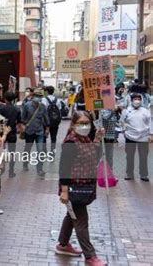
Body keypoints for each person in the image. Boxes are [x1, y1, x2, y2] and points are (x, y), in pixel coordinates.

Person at [57, 111, 105, 266]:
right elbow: (64, 168)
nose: (85, 126)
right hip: (74, 187)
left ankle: (63, 245)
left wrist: (97, 139)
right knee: (81, 221)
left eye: (87, 123)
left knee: (72, 216)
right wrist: (64, 191)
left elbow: (93, 158)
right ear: (73, 124)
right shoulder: (71, 142)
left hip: (84, 185)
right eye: (81, 123)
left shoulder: (85, 139)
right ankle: (90, 256)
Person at [120, 93, 152, 181]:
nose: (137, 101)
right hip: (130, 137)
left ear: (141, 100)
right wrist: (124, 131)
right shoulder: (126, 111)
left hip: (143, 137)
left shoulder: (145, 111)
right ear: (131, 100)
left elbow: (150, 122)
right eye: (135, 99)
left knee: (143, 156)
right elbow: (122, 122)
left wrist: (150, 134)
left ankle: (144, 175)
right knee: (129, 156)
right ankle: (129, 174)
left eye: (139, 99)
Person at [21, 88, 49, 176]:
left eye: (40, 96)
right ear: (32, 96)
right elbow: (23, 118)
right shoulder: (27, 105)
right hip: (29, 131)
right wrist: (25, 125)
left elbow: (46, 118)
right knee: (27, 149)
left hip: (40, 131)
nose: (38, 98)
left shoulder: (43, 106)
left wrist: (47, 129)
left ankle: (39, 169)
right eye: (36, 96)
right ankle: (25, 164)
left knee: (40, 150)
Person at [0, 91, 21, 177]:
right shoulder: (16, 109)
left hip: (2, 133)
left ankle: (0, 168)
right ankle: (11, 172)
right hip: (12, 132)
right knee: (12, 152)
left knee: (0, 151)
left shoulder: (1, 108)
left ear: (5, 98)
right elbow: (19, 122)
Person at [42, 86, 62, 154]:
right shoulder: (58, 100)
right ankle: (52, 152)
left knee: (44, 137)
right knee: (53, 137)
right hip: (55, 121)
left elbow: (43, 110)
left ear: (47, 91)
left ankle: (44, 152)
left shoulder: (44, 99)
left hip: (46, 121)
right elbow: (59, 109)